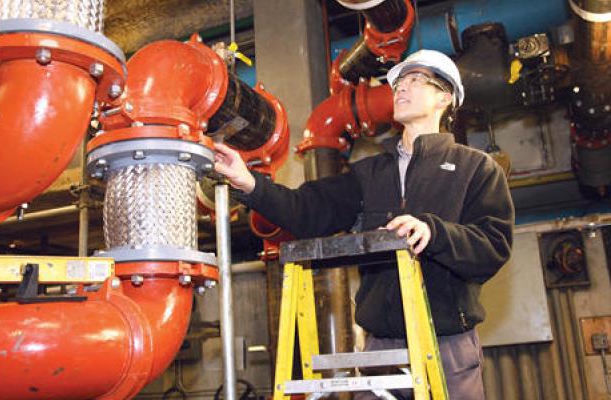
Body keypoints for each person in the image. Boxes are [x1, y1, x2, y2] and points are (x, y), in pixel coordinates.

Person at [214, 49, 514, 400]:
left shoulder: (475, 169)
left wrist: (434, 232)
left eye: (416, 80)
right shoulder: (369, 173)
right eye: (400, 81)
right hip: (380, 351)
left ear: (444, 98)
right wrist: (247, 181)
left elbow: (493, 244)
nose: (401, 87)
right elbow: (305, 209)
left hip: (446, 345)